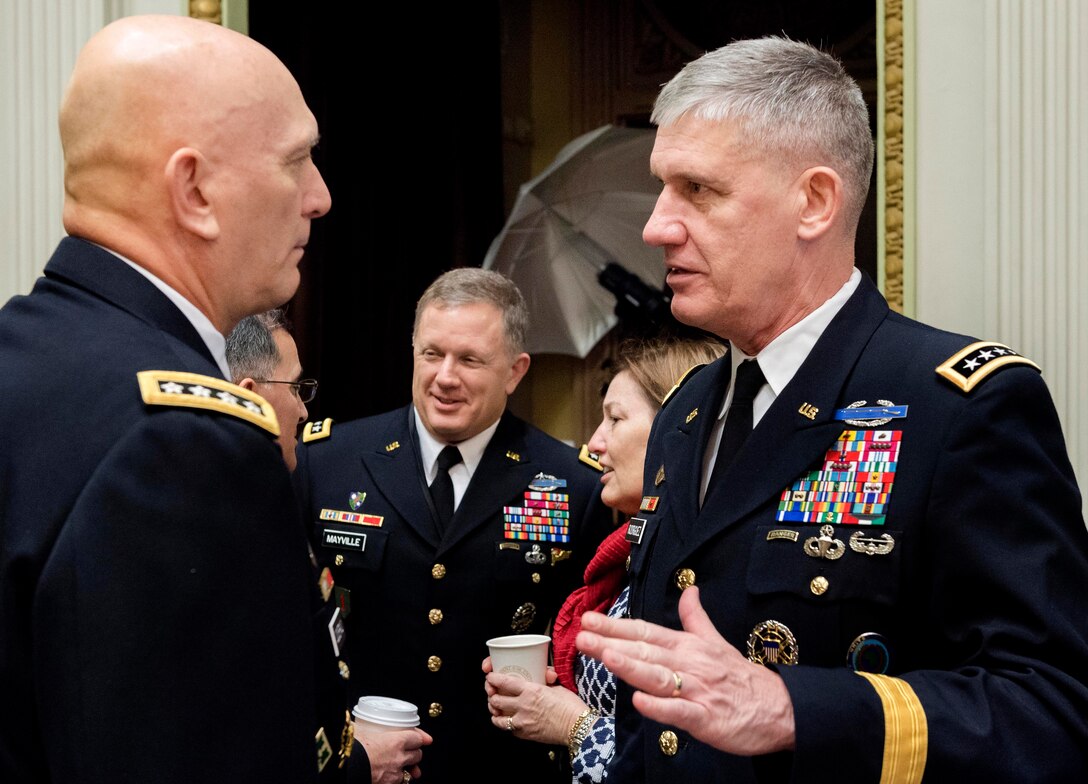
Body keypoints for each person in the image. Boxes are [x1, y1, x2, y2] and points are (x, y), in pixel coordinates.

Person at [574, 35, 1088, 782]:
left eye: (698, 190)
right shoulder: (685, 414)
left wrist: (792, 709)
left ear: (813, 202)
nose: (657, 226)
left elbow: (1054, 709)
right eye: (661, 188)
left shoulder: (957, 407)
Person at [0, 15, 334, 782]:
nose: (319, 196)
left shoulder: (23, 356)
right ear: (195, 191)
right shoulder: (183, 443)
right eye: (297, 160)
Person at [294, 267, 614, 782]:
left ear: (514, 370)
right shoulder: (329, 461)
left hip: (502, 769)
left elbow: (585, 648)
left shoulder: (572, 484)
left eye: (469, 359)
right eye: (431, 354)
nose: (445, 376)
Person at [483, 335, 726, 783]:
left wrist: (571, 725)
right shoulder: (632, 552)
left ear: (680, 429)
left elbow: (696, 758)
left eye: (615, 419)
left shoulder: (703, 572)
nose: (594, 443)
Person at [226, 311, 433, 784]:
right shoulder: (230, 522)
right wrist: (356, 765)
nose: (303, 409)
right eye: (295, 388)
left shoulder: (261, 499)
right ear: (251, 398)